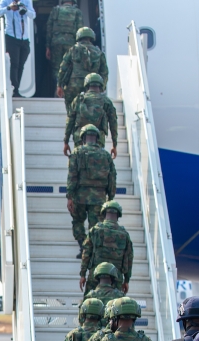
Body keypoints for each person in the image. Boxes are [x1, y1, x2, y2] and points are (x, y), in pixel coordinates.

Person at [67, 125, 116, 256]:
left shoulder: (76, 153)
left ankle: (83, 246)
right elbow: (112, 178)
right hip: (99, 197)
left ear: (83, 138)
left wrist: (70, 197)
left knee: (78, 221)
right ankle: (92, 250)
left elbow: (72, 176)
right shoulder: (106, 155)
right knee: (96, 226)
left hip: (79, 196)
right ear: (97, 138)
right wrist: (110, 198)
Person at [80, 200, 132, 289]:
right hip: (116, 278)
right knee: (115, 298)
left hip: (95, 276)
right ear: (118, 215)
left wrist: (83, 274)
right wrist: (126, 280)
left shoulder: (95, 230)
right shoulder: (124, 235)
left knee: (91, 298)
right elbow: (129, 258)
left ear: (104, 213)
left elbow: (86, 253)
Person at [64, 73, 117, 157]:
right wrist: (114, 145)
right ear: (100, 85)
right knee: (96, 162)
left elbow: (70, 121)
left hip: (79, 138)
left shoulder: (78, 100)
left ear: (87, 85)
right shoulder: (106, 102)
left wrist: (66, 142)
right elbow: (113, 123)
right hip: (98, 139)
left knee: (79, 160)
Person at [57, 27, 108, 109]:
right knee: (90, 109)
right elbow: (104, 72)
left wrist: (59, 85)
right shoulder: (99, 53)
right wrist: (102, 87)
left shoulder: (72, 50)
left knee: (71, 110)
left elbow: (63, 68)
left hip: (73, 86)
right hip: (91, 86)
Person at [0, 0, 35, 97]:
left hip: (24, 38)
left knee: (21, 64)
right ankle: (14, 89)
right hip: (11, 37)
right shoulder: (5, 1)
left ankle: (16, 89)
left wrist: (25, 9)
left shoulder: (26, 1)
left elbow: (33, 15)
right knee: (14, 64)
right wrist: (9, 8)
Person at [45, 0, 84, 91]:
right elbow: (80, 31)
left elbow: (49, 29)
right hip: (71, 44)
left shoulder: (55, 10)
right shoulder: (77, 12)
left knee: (56, 68)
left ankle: (58, 89)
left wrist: (47, 47)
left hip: (56, 43)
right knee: (70, 67)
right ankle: (67, 91)